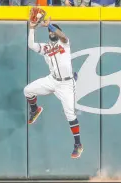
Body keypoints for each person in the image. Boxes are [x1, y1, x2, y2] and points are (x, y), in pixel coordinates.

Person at [24, 17, 83, 159]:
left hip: (66, 84)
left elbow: (62, 35)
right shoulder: (45, 47)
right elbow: (31, 45)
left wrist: (49, 25)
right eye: (50, 31)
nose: (51, 32)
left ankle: (78, 144)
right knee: (27, 90)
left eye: (54, 30)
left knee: (70, 114)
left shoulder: (65, 43)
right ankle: (35, 110)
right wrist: (32, 28)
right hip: (52, 80)